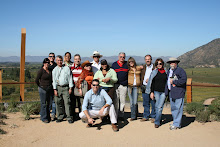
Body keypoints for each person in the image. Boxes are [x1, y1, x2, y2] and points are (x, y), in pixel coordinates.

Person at [165, 57, 187, 130]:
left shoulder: (180, 70)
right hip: (171, 92)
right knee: (174, 108)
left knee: (178, 108)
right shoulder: (169, 71)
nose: (172, 64)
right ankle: (176, 122)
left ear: (176, 63)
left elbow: (183, 80)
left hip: (179, 92)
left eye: (173, 62)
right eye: (170, 63)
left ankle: (176, 124)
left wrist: (174, 82)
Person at [52, 55, 74, 123]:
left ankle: (69, 117)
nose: (59, 62)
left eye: (60, 60)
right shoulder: (55, 70)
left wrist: (70, 88)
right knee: (58, 103)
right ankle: (60, 116)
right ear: (56, 61)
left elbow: (70, 78)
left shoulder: (67, 68)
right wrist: (55, 89)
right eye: (58, 60)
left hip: (66, 87)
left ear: (62, 60)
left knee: (67, 102)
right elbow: (54, 80)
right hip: (58, 87)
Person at [146, 58, 167, 128]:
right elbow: (152, 83)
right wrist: (151, 92)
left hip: (163, 92)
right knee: (157, 107)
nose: (159, 65)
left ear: (162, 64)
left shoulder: (166, 72)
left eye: (160, 63)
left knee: (159, 107)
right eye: (157, 64)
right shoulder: (154, 72)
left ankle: (157, 121)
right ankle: (158, 120)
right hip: (156, 92)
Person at [112, 52, 128, 120]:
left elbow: (134, 67)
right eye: (121, 57)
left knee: (122, 101)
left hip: (123, 85)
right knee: (116, 101)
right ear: (118, 57)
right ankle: (115, 115)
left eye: (123, 57)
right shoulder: (114, 64)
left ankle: (121, 115)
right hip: (116, 85)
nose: (122, 58)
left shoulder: (127, 64)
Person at [35, 58, 52, 123]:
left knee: (49, 104)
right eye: (46, 62)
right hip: (43, 89)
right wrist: (40, 86)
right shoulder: (41, 71)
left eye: (48, 62)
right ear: (43, 63)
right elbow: (36, 80)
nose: (47, 64)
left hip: (49, 89)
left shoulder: (49, 70)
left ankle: (47, 116)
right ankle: (43, 117)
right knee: (43, 104)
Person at [140, 54, 156, 122]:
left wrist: (150, 79)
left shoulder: (155, 67)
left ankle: (153, 116)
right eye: (146, 59)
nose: (147, 60)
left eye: (148, 59)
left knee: (153, 102)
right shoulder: (143, 67)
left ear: (151, 60)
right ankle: (146, 116)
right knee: (145, 103)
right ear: (145, 60)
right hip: (144, 87)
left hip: (152, 87)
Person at [70, 54, 83, 118]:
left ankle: (81, 115)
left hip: (80, 87)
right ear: (73, 60)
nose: (77, 60)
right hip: (73, 86)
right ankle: (74, 115)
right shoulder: (71, 67)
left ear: (80, 60)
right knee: (73, 102)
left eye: (78, 59)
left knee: (80, 101)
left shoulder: (82, 67)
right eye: (75, 59)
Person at [48, 52, 57, 121]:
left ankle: (53, 114)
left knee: (54, 101)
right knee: (48, 101)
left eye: (53, 56)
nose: (52, 57)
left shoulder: (56, 66)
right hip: (47, 86)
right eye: (50, 56)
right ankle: (47, 114)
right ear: (48, 57)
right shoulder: (46, 65)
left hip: (54, 85)